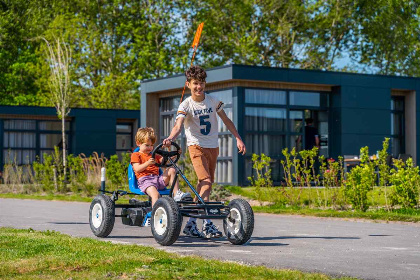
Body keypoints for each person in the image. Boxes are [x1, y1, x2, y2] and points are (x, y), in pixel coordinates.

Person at [163, 65, 246, 238]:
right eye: (195, 83)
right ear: (188, 84)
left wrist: (238, 137)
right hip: (196, 146)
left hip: (213, 147)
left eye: (201, 83)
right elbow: (178, 125)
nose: (199, 87)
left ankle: (191, 224)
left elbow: (226, 120)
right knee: (206, 180)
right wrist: (171, 137)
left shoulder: (213, 101)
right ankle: (207, 224)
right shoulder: (186, 104)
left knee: (204, 184)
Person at [131, 127, 191, 226]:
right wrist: (147, 163)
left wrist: (175, 154)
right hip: (145, 181)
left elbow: (165, 161)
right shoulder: (136, 155)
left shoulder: (153, 155)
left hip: (157, 179)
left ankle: (177, 194)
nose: (150, 148)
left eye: (151, 145)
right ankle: (154, 216)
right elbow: (137, 169)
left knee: (172, 169)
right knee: (156, 195)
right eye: (147, 145)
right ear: (138, 143)